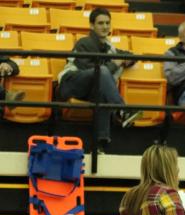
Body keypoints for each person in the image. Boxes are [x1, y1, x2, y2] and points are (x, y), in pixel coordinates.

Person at [58, 7, 142, 152]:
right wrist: (115, 63)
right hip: (71, 83)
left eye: (107, 23)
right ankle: (122, 110)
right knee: (102, 71)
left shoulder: (110, 47)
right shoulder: (84, 43)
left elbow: (130, 55)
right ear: (91, 25)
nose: (105, 27)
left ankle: (100, 144)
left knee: (102, 94)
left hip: (89, 88)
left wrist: (126, 60)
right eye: (100, 23)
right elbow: (91, 70)